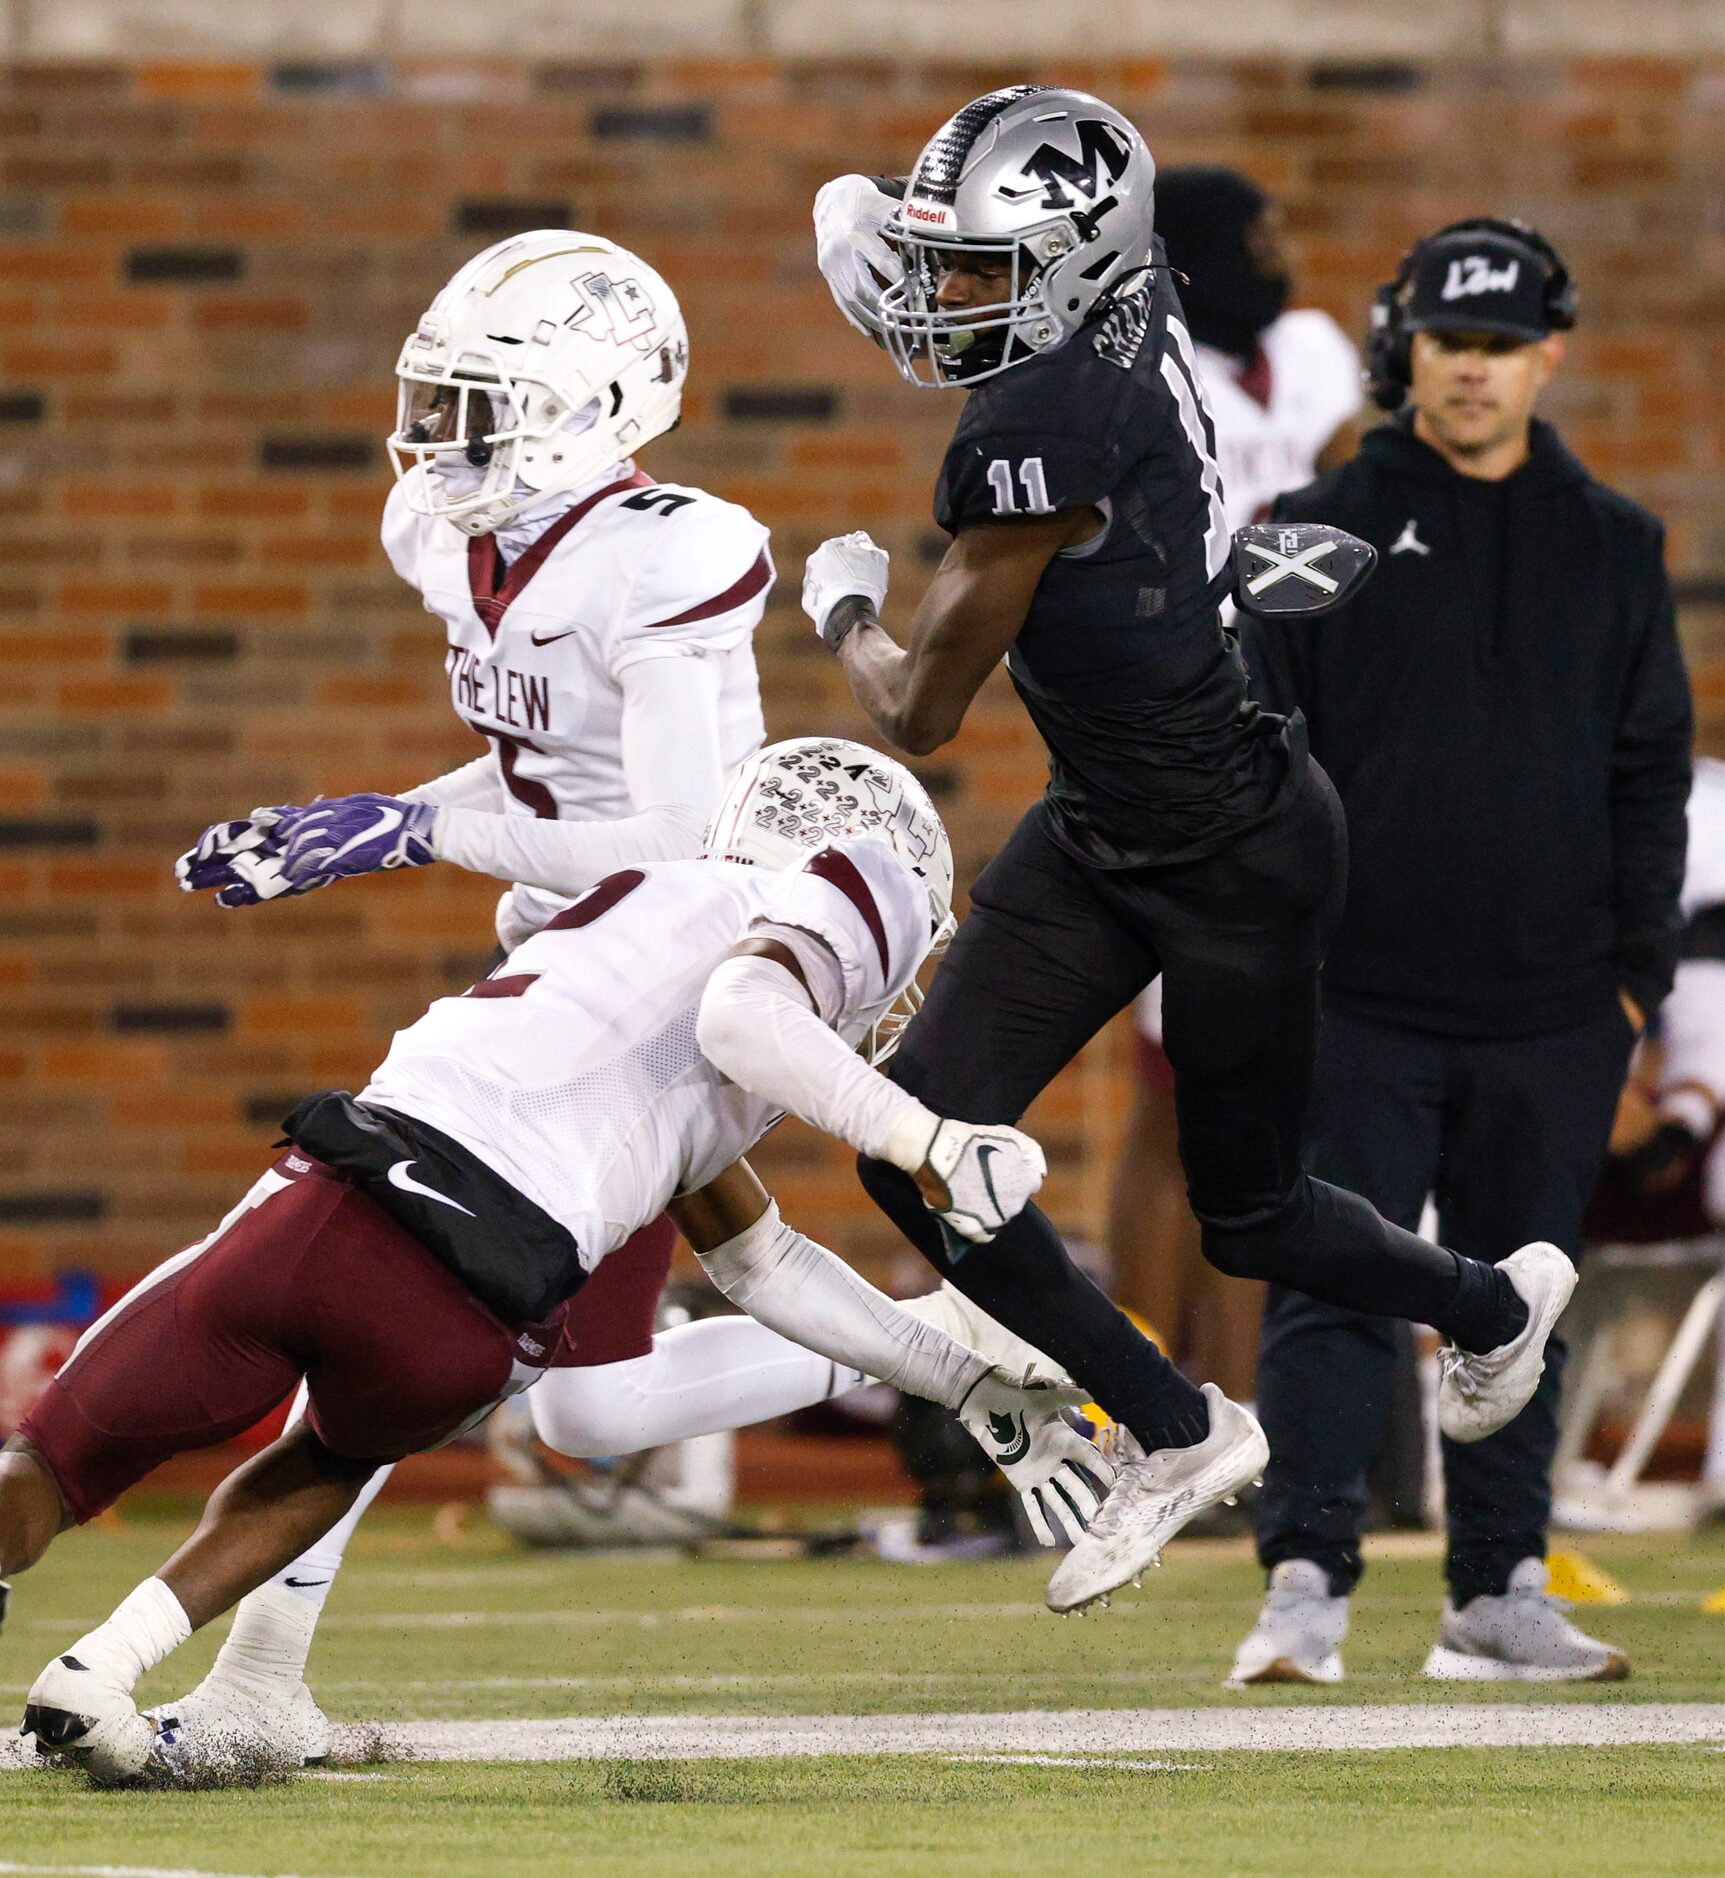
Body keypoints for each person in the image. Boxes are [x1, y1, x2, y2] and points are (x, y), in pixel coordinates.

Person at [167, 232, 1034, 1766]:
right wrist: (355, 823)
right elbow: (530, 771)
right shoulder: (449, 534)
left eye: (476, 409)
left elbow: (680, 840)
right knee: (590, 1417)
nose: (438, 443)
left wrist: (407, 824)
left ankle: (256, 1681)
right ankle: (936, 1342)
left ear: (597, 405)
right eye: (435, 402)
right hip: (564, 959)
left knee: (403, 1292)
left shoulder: (669, 549)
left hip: (686, 965)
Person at [807, 85, 1577, 1615]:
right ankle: (1175, 1425)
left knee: (1251, 1214)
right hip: (1110, 825)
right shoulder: (1132, 290)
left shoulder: (1033, 432)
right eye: (946, 263)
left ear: (1077, 259)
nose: (947, 298)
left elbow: (921, 708)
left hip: (1235, 853)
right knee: (910, 1146)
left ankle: (1493, 1302)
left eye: (976, 270)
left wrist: (841, 605)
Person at [2, 739, 1107, 1784]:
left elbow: (763, 1258)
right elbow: (740, 1021)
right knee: (330, 1466)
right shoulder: (819, 908)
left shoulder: (632, 918)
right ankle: (102, 1668)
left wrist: (954, 1370)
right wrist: (922, 1142)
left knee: (51, 1461)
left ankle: (165, 1670)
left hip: (323, 1208)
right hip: (475, 1315)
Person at [1232, 218, 1691, 1684]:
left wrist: (1636, 981)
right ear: (1405, 348)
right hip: (1351, 993)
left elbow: (1649, 766)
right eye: (1448, 343)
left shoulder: (1617, 542)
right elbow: (1250, 758)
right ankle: (1302, 1580)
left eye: (1500, 346)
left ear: (1548, 353)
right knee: (1335, 1286)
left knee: (1523, 1304)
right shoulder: (1312, 527)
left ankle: (1495, 1591)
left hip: (1555, 1003)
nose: (1474, 372)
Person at [1108, 166, 1363, 1400]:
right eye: (1256, 234)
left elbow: (1354, 511)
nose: (1281, 255)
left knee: (1267, 1099)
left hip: (1294, 734)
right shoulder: (1141, 368)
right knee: (1171, 1098)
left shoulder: (1312, 354)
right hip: (1179, 743)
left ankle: (1244, 1413)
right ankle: (1134, 1401)